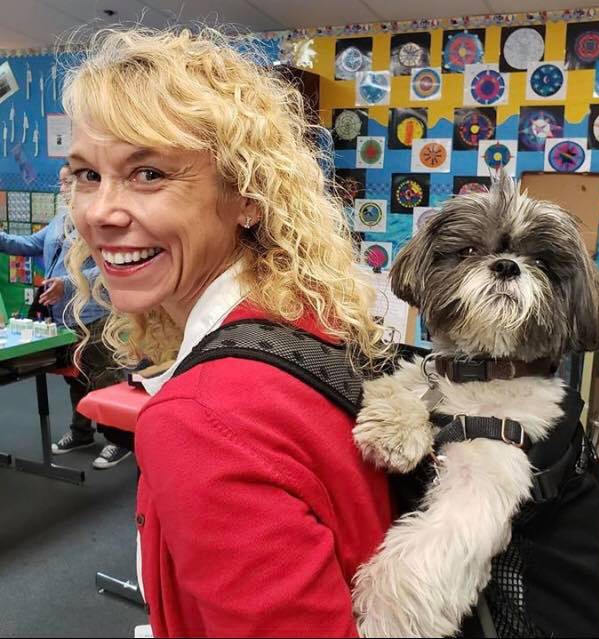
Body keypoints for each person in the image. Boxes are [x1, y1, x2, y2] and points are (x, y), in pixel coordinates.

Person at [64, 27, 392, 637]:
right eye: (86, 175)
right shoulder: (309, 315)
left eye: (149, 174)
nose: (98, 212)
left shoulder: (201, 419)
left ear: (247, 196)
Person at [0, 164, 132, 469]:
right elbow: (29, 245)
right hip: (63, 317)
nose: (63, 187)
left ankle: (119, 440)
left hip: (94, 312)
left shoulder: (100, 220)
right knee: (77, 379)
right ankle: (81, 432)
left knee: (104, 378)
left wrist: (67, 283)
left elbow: (108, 265)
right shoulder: (60, 220)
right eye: (60, 182)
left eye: (68, 181)